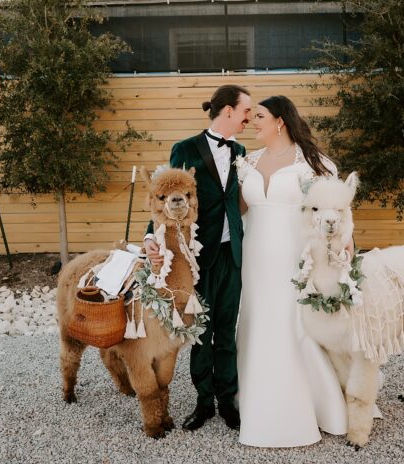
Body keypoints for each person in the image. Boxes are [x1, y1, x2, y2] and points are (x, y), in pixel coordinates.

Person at [233, 95, 358, 447]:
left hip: (293, 257)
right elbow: (240, 210)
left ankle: (311, 403)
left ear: (280, 121)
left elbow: (336, 207)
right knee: (257, 320)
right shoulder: (248, 162)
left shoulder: (314, 164)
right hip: (255, 256)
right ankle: (253, 398)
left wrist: (346, 240)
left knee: (292, 322)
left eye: (259, 116)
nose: (253, 122)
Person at [144, 84, 249, 431]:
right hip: (195, 256)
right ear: (228, 111)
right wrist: (150, 238)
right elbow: (166, 195)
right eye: (245, 111)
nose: (248, 117)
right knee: (201, 331)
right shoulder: (185, 149)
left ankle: (228, 401)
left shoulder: (241, 150)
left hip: (231, 253)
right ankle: (204, 402)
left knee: (226, 329)